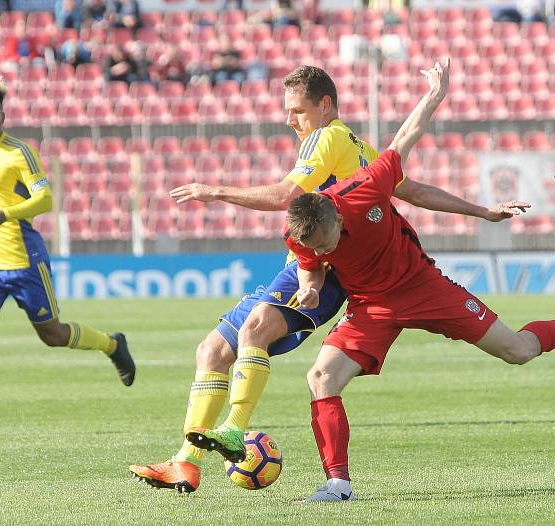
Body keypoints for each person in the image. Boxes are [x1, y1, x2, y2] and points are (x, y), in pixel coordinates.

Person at [130, 59, 469, 493]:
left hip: (324, 270)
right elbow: (414, 191)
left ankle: (235, 428)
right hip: (300, 265)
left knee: (255, 330)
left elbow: (286, 196)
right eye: (287, 110)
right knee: (212, 351)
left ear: (326, 105)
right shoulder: (358, 147)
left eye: (298, 110)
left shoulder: (325, 138)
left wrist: (215, 191)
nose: (290, 120)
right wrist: (481, 211)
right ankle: (186, 462)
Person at [282, 115, 555, 502]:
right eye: (313, 246)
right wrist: (310, 290)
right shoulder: (302, 233)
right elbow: (310, 272)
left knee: (518, 350)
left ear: (335, 215)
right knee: (321, 378)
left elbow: (405, 139)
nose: (320, 251)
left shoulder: (366, 187)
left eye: (324, 242)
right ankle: (338, 486)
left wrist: (434, 95)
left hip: (423, 287)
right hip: (371, 306)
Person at [0, 76, 135, 435]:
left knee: (53, 335)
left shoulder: (18, 152)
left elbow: (45, 198)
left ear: (3, 114)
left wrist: (6, 215)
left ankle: (112, 344)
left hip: (23, 257)